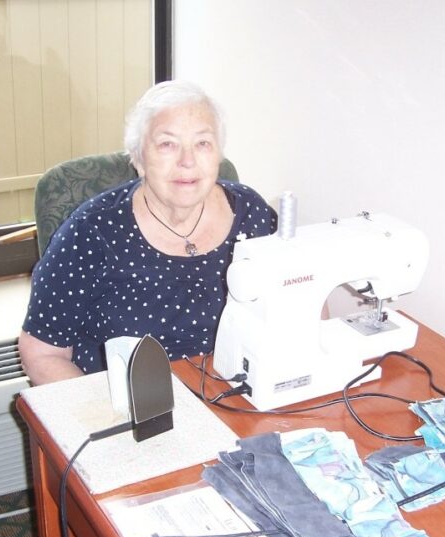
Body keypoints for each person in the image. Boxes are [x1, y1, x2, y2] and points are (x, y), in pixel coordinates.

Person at [18, 80, 277, 385]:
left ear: (218, 155)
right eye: (168, 144)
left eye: (202, 143)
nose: (187, 161)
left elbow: (297, 300)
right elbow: (42, 354)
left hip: (236, 400)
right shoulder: (92, 232)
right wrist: (105, 421)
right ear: (138, 158)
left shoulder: (251, 214)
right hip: (129, 409)